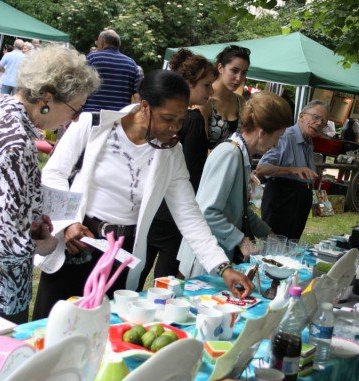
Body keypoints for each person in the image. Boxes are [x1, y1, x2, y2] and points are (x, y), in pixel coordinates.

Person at [33, 69, 253, 319]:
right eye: (168, 118)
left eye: (180, 120)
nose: (174, 128)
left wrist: (222, 267)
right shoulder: (93, 125)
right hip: (76, 243)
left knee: (104, 334)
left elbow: (188, 214)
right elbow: (53, 174)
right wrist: (70, 222)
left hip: (121, 256)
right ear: (144, 106)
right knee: (50, 328)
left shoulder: (171, 153)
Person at [0, 45, 99, 340]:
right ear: (47, 98)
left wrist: (31, 215)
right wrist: (44, 243)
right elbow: (8, 242)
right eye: (74, 110)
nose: (72, 120)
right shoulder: (17, 141)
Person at [178, 92, 293, 277]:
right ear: (262, 133)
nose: (277, 144)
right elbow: (207, 211)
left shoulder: (240, 153)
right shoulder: (230, 154)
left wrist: (268, 234)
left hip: (219, 254)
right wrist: (241, 241)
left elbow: (240, 209)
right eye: (277, 137)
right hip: (206, 256)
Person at [142, 48, 216, 287]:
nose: (211, 91)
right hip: (170, 212)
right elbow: (192, 173)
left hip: (155, 207)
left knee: (138, 272)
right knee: (165, 281)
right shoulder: (192, 121)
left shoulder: (168, 127)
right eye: (206, 85)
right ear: (188, 84)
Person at [256, 100, 327, 240]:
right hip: (282, 200)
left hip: (299, 201)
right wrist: (292, 170)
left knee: (291, 248)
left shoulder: (308, 141)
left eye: (323, 121)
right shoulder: (286, 137)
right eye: (316, 117)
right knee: (275, 249)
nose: (319, 123)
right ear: (301, 116)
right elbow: (261, 168)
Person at [198, 45, 250, 149]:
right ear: (220, 68)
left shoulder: (241, 101)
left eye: (244, 73)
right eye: (234, 71)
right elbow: (199, 147)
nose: (239, 78)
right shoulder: (204, 100)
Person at [83, 29, 141, 112]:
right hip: (118, 118)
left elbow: (79, 87)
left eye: (97, 43)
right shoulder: (131, 64)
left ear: (102, 43)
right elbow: (138, 98)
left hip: (92, 116)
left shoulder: (91, 58)